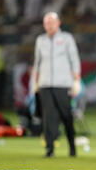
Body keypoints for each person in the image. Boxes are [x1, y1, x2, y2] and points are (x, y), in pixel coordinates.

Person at [33, 12, 81, 158]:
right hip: (45, 84)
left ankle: (72, 146)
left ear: (58, 23)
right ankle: (49, 149)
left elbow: (74, 60)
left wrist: (76, 81)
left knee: (67, 116)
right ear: (44, 25)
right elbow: (37, 63)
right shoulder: (40, 40)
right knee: (48, 117)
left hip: (63, 84)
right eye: (47, 23)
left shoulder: (67, 38)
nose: (49, 25)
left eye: (52, 22)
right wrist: (35, 83)